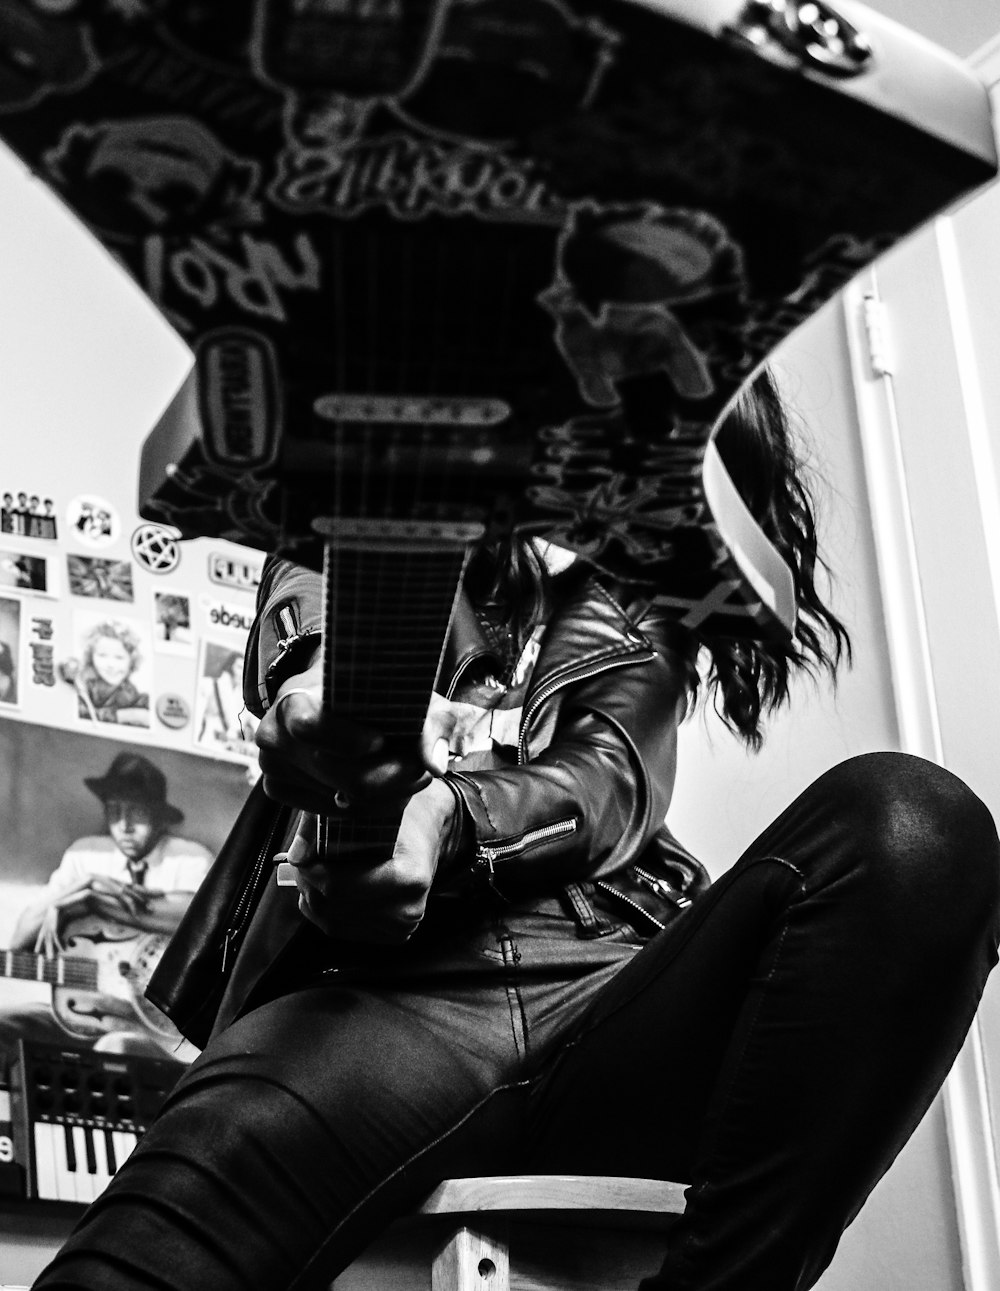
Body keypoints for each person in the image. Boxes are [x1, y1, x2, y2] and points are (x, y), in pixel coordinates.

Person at [33, 374, 1000, 1290]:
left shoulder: (646, 596)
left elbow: (604, 777)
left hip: (613, 985)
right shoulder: (367, 496)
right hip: (375, 1002)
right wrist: (325, 706)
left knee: (915, 824)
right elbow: (317, 610)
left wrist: (455, 817)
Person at [0, 753, 212, 1063]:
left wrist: (102, 899)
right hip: (88, 1013)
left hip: (160, 1030)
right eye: (114, 811)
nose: (123, 825)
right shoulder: (85, 855)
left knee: (116, 1049)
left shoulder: (190, 859)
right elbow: (20, 944)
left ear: (158, 814)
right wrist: (81, 887)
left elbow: (201, 923)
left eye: (136, 812)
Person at [60, 619, 149, 725]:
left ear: (132, 661)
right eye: (102, 655)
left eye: (119, 658)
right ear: (91, 656)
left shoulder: (129, 690)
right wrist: (120, 716)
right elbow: (75, 712)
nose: (110, 665)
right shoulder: (82, 681)